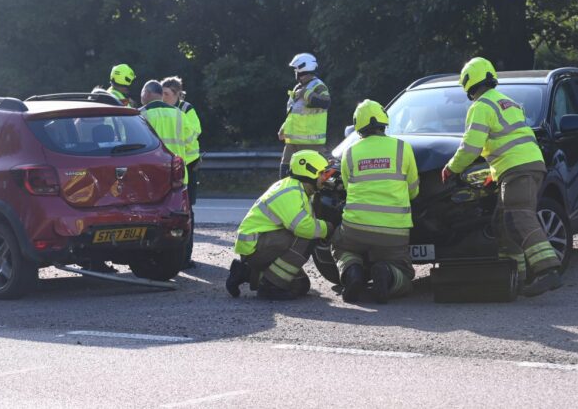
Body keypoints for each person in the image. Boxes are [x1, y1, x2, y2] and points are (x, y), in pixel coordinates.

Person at [441, 57, 563, 297]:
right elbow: (504, 140)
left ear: (467, 83)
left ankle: (547, 269)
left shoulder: (481, 106)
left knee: (519, 215)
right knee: (504, 221)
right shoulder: (507, 102)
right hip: (526, 166)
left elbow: (471, 146)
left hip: (518, 169)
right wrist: (494, 174)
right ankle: (515, 277)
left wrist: (452, 168)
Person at [332, 100, 419, 304]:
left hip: (355, 229)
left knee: (341, 247)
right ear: (384, 122)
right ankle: (388, 274)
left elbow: (347, 187)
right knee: (404, 272)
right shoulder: (402, 148)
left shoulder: (350, 153)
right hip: (393, 232)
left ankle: (352, 271)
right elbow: (413, 189)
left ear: (358, 127)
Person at [226, 150, 332, 300]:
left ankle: (244, 273)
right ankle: (270, 286)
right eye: (322, 173)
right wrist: (328, 228)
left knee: (300, 285)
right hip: (255, 247)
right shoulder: (291, 192)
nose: (325, 178)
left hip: (262, 243)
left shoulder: (299, 188)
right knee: (308, 236)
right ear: (310, 172)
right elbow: (303, 227)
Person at [161, 76, 202, 268]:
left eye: (167, 94)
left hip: (188, 164)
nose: (164, 97)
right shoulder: (162, 110)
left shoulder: (186, 109)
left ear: (177, 94)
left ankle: (186, 256)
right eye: (162, 93)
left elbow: (194, 132)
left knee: (186, 212)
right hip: (171, 166)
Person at [278, 53, 330, 178]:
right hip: (292, 143)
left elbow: (325, 102)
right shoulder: (298, 87)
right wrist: (283, 128)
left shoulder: (318, 86)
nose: (295, 72)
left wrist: (306, 93)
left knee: (313, 179)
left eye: (296, 69)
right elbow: (294, 112)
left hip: (311, 144)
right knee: (284, 176)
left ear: (303, 68)